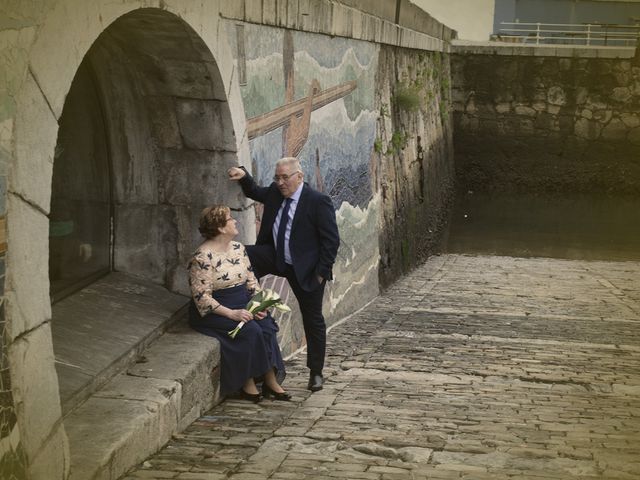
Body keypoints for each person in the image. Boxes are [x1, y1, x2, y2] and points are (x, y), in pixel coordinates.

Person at [228, 157, 340, 392]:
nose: (280, 182)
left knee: (313, 319)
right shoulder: (275, 193)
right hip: (277, 256)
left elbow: (331, 241)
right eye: (277, 178)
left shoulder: (318, 202)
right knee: (244, 254)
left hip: (306, 268)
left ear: (299, 176)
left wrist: (320, 273)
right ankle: (243, 299)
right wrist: (244, 176)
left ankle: (316, 372)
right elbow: (255, 191)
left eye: (285, 177)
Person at [187, 205, 290, 402]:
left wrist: (260, 305)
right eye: (230, 219)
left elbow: (252, 281)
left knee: (266, 326)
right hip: (217, 310)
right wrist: (232, 314)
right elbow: (202, 298)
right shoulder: (202, 257)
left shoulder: (238, 248)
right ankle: (246, 382)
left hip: (243, 301)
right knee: (250, 331)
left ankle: (270, 380)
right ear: (220, 227)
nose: (235, 221)